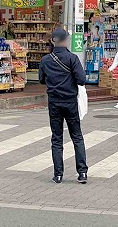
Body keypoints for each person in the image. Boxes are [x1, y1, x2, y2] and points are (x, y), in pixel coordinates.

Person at [38, 28, 88, 184]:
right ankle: (82, 173)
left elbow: (41, 80)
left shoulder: (45, 60)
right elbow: (81, 79)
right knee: (77, 137)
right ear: (66, 40)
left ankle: (58, 174)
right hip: (70, 102)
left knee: (57, 138)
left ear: (53, 40)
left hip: (54, 102)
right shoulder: (72, 58)